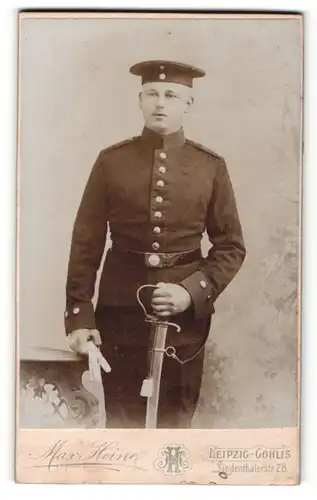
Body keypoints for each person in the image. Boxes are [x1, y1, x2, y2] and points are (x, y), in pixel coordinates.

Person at [64, 60, 246, 429]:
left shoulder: (210, 166)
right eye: (152, 94)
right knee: (121, 424)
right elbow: (86, 243)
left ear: (188, 104)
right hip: (119, 317)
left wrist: (190, 292)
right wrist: (79, 317)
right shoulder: (111, 162)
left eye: (171, 95)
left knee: (174, 428)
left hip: (183, 324)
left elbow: (231, 247)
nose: (160, 102)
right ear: (140, 100)